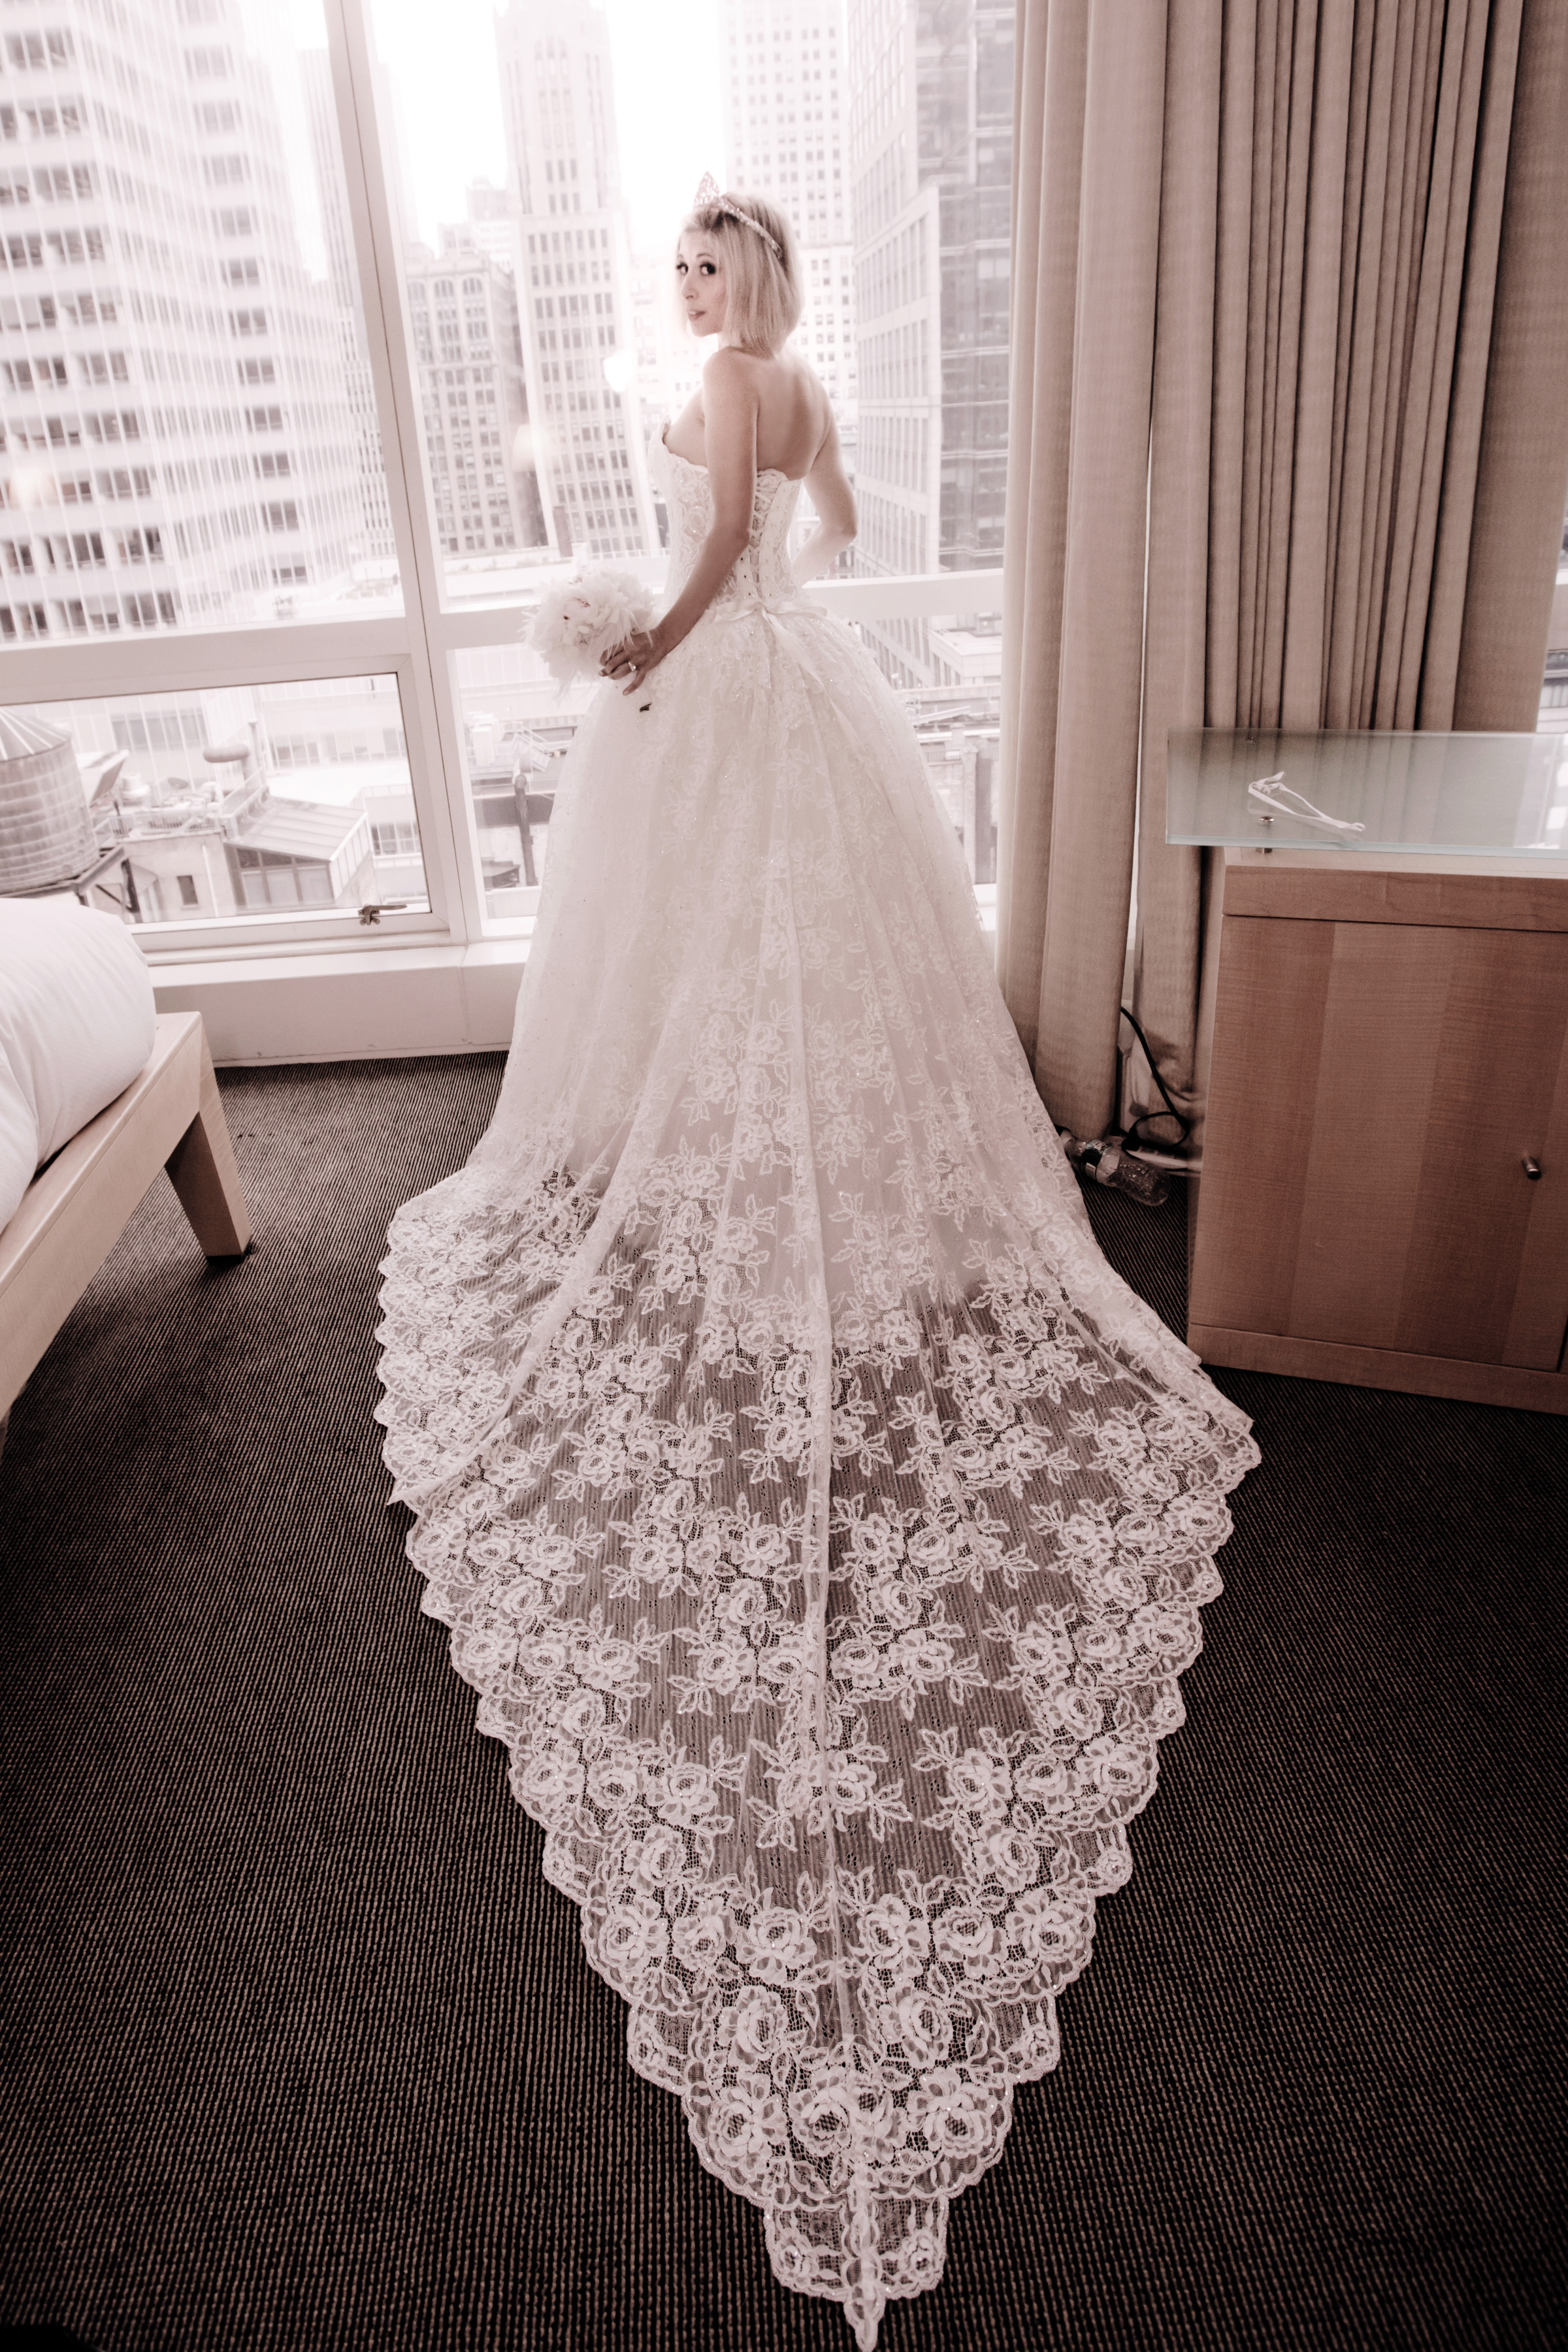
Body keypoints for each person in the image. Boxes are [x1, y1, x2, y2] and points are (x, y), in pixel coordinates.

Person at [376, 180, 1257, 2350]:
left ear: (744, 280)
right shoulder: (807, 380)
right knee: (806, 975)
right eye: (683, 270)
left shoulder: (724, 381)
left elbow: (712, 555)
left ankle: (723, 1183)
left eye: (705, 265)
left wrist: (647, 649)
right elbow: (827, 525)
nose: (687, 290)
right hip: (812, 689)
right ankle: (786, 1177)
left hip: (731, 684)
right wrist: (746, 594)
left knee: (716, 959)